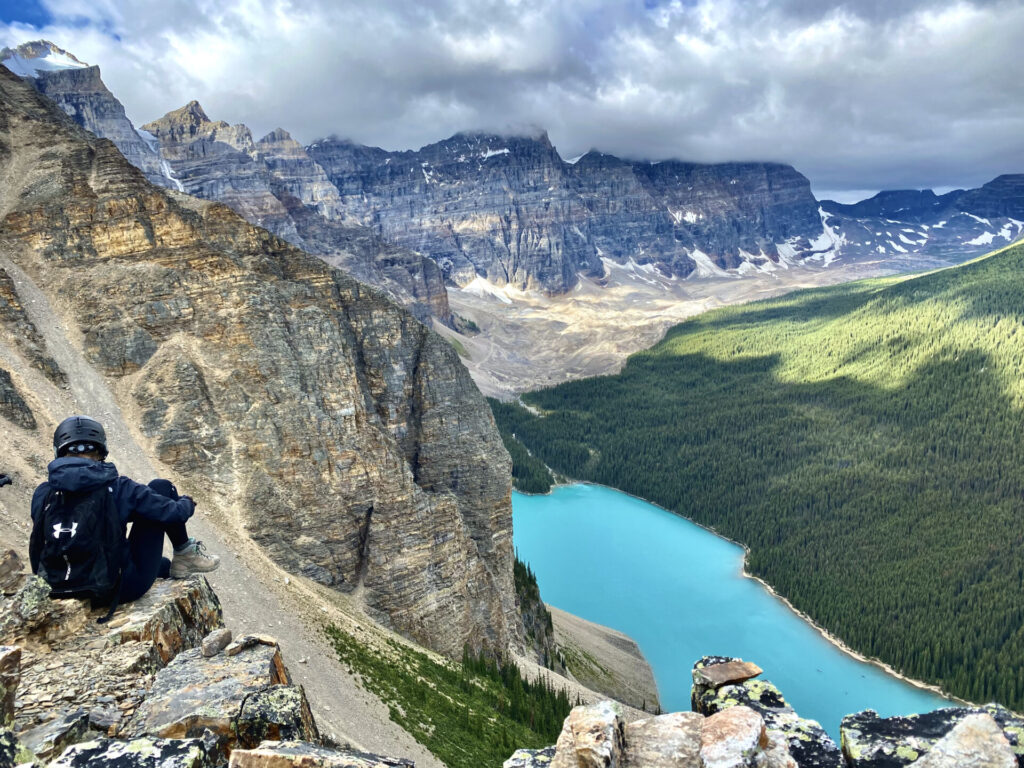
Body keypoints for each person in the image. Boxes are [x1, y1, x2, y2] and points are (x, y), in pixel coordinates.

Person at [30, 415, 219, 606]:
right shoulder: (119, 487)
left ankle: (173, 563)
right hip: (114, 591)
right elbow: (175, 513)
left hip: (55, 591)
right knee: (161, 487)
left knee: (163, 565)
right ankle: (185, 553)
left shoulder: (43, 493)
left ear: (58, 451)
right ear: (101, 451)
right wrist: (186, 502)